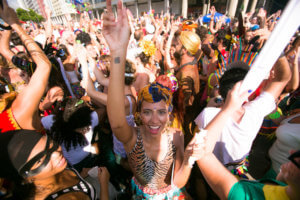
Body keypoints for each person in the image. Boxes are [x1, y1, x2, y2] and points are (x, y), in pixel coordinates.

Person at [104, 0, 202, 198]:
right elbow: (115, 120)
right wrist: (117, 52)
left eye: (161, 112)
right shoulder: (133, 137)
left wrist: (190, 160)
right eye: (147, 112)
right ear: (139, 113)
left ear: (169, 113)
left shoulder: (176, 135)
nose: (154, 120)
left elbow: (178, 181)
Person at [195, 81, 300, 200]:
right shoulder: (262, 109)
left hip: (225, 166)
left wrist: (223, 109)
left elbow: (200, 149)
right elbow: (280, 120)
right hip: (269, 170)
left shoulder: (254, 109)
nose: (292, 152)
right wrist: (271, 110)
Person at [0, 129, 97, 200]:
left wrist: (81, 174)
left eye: (50, 144)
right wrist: (104, 182)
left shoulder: (56, 167)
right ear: (26, 178)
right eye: (40, 160)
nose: (56, 154)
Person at [0, 0, 51, 133]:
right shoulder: (15, 110)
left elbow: (4, 50)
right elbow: (44, 65)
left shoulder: (28, 66)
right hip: (33, 116)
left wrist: (7, 25)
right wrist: (15, 25)